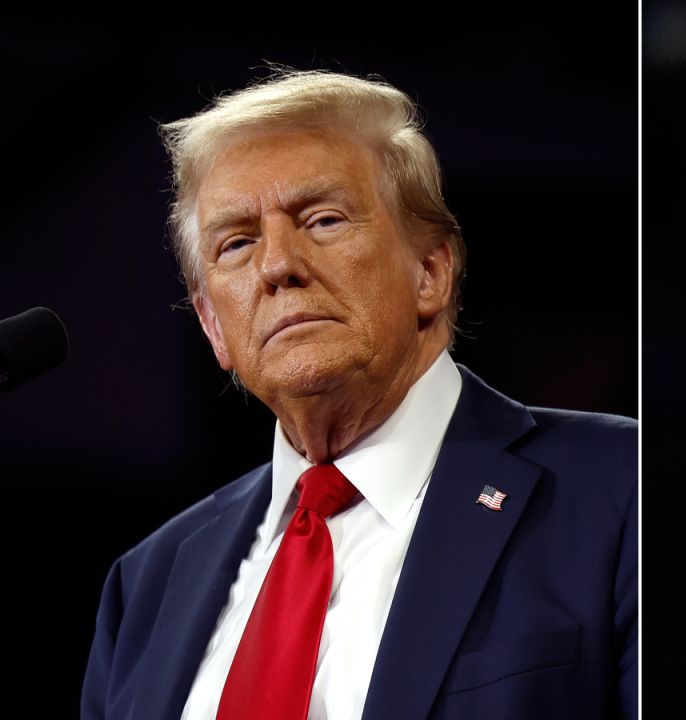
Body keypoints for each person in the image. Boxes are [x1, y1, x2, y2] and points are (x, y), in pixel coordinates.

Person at [81, 70, 636, 720]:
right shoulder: (147, 584)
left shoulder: (615, 487)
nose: (276, 266)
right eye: (236, 242)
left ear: (430, 270)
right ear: (212, 327)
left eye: (322, 219)